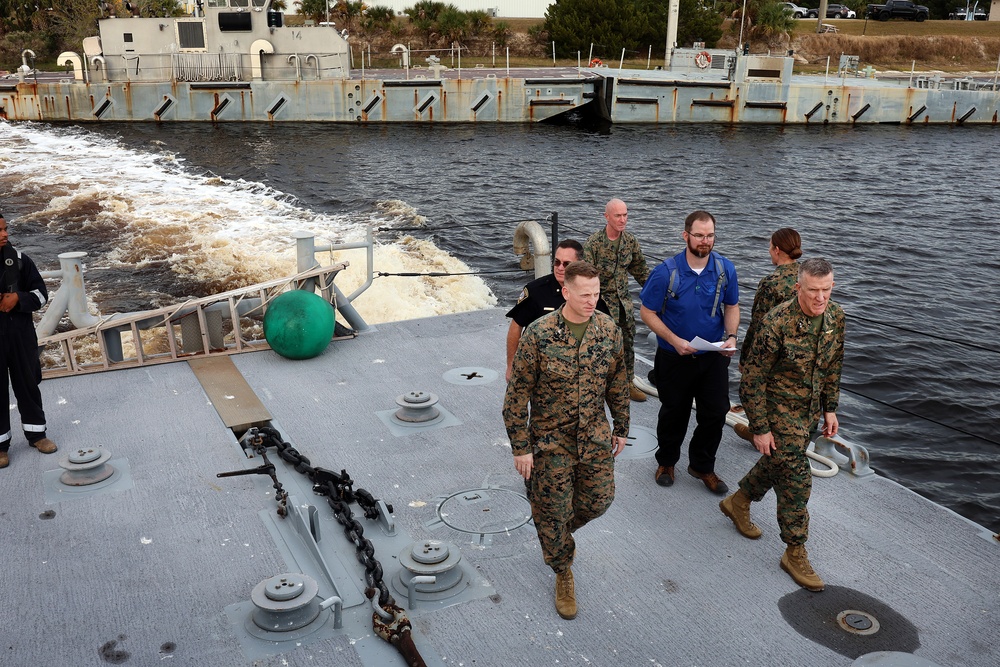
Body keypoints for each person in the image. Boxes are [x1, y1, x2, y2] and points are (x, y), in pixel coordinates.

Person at [502, 261, 629, 621]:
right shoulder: (539, 335)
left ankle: (551, 525)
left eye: (597, 293)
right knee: (555, 513)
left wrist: (622, 425)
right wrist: (521, 447)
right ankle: (562, 570)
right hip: (550, 443)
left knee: (600, 500)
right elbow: (516, 397)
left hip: (594, 438)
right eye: (585, 294)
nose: (592, 301)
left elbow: (618, 381)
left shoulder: (608, 330)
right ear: (567, 292)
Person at [719, 258, 845, 593]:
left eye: (827, 290)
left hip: (808, 411)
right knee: (797, 477)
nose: (820, 298)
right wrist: (759, 427)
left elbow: (834, 365)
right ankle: (794, 549)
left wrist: (830, 409)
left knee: (779, 459)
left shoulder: (835, 317)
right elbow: (752, 379)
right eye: (813, 291)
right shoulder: (777, 323)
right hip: (776, 408)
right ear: (798, 288)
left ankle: (739, 501)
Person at [639, 210, 739, 494]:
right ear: (686, 236)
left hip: (712, 357)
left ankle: (702, 466)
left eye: (710, 235)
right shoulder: (665, 272)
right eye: (699, 235)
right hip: (674, 357)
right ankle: (667, 463)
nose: (705, 241)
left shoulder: (725, 269)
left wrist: (731, 336)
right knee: (674, 412)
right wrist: (673, 339)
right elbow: (647, 312)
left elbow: (731, 306)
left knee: (716, 412)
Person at [0, 212, 57, 469]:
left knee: (28, 385)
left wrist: (18, 300)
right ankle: (1, 446)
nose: (5, 234)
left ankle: (37, 435)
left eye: (5, 229)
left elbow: (41, 295)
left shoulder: (21, 261)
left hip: (21, 337)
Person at [583, 198, 650, 401]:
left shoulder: (630, 242)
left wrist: (661, 293)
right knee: (600, 345)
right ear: (607, 217)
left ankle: (627, 383)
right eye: (618, 215)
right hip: (600, 304)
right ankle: (598, 386)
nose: (622, 220)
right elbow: (585, 277)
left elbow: (641, 271)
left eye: (625, 215)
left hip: (623, 304)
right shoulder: (594, 244)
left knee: (627, 342)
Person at [505, 239, 584, 382]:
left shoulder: (588, 292)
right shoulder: (536, 291)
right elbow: (516, 326)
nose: (560, 267)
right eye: (556, 262)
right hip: (540, 372)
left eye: (566, 264)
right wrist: (511, 365)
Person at [741, 228, 803, 364]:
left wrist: (745, 357)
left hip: (775, 356)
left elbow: (758, 323)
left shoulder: (771, 283)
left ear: (777, 249)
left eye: (770, 246)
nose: (769, 251)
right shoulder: (808, 278)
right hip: (803, 354)